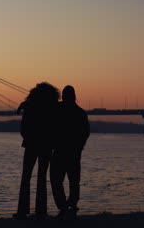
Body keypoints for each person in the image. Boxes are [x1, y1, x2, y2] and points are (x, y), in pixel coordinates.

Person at [15, 82, 60, 220]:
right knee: (42, 177)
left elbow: (24, 127)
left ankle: (22, 211)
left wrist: (28, 137)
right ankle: (41, 211)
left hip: (31, 144)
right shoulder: (53, 107)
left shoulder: (29, 106)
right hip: (46, 145)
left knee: (26, 177)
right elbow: (56, 126)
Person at [50, 85, 90, 219]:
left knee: (56, 180)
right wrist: (80, 146)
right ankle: (72, 204)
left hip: (59, 150)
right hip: (74, 151)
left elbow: (50, 125)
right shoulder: (80, 112)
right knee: (74, 181)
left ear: (63, 96)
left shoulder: (56, 110)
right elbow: (86, 132)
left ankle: (62, 206)